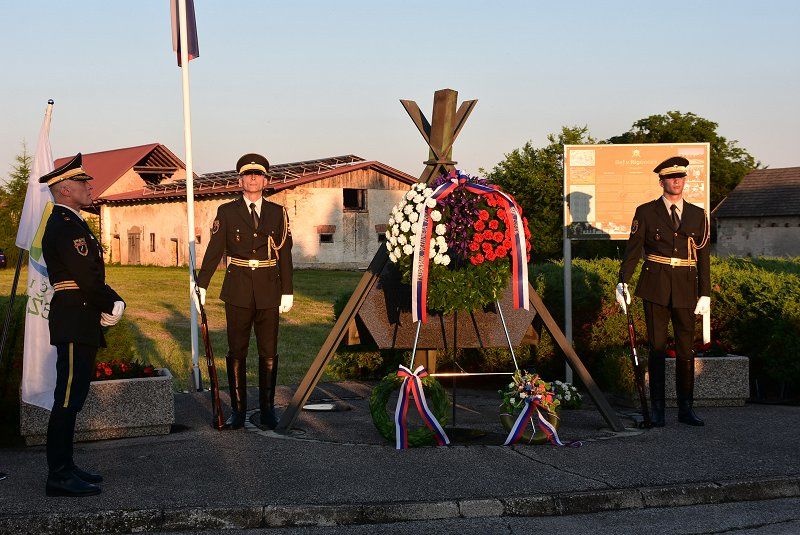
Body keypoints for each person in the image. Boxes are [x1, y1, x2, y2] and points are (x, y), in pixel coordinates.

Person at [40, 154, 126, 496]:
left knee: (73, 397)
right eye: (82, 182)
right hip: (75, 316)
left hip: (80, 315)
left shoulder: (73, 222)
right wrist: (112, 301)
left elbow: (89, 274)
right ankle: (58, 475)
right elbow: (87, 277)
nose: (90, 187)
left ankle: (66, 465)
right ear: (64, 189)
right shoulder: (64, 225)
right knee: (67, 398)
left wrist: (109, 300)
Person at [194, 153, 293, 430]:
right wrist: (202, 284)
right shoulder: (227, 211)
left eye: (258, 175)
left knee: (268, 350)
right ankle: (238, 411)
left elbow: (285, 254)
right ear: (240, 181)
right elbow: (214, 250)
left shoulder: (278, 213)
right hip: (237, 288)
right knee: (237, 349)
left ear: (265, 181)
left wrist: (288, 290)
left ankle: (267, 410)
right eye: (248, 175)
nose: (253, 179)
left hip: (269, 288)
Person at [616, 156, 710, 427]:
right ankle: (658, 409)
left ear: (684, 180)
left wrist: (705, 293)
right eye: (670, 177)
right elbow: (633, 251)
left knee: (686, 350)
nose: (676, 181)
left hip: (685, 287)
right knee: (657, 349)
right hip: (655, 286)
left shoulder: (698, 214)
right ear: (662, 182)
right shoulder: (646, 212)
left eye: (680, 177)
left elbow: (704, 257)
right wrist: (622, 282)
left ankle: (686, 408)